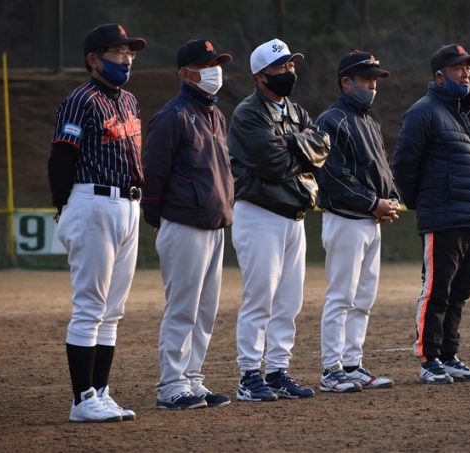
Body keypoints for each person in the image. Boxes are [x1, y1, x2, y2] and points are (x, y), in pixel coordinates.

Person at [47, 23, 146, 422]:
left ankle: (100, 392)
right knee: (90, 306)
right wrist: (63, 204)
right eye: (118, 52)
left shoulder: (130, 101)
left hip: (128, 204)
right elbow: (61, 157)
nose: (126, 59)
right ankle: (82, 399)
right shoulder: (80, 100)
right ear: (93, 59)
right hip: (93, 201)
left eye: (130, 53)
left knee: (113, 310)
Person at [227, 38, 331, 402]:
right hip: (260, 213)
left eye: (291, 65)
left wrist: (292, 143)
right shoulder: (248, 113)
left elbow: (324, 146)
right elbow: (271, 164)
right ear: (260, 76)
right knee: (260, 299)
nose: (289, 71)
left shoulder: (296, 110)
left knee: (289, 302)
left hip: (294, 215)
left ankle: (276, 371)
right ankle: (249, 376)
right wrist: (301, 145)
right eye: (280, 66)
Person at [140, 39, 234, 410]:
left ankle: (192, 379)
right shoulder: (172, 115)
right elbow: (153, 172)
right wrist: (157, 218)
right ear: (185, 73)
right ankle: (171, 386)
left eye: (216, 64)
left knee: (205, 311)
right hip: (182, 222)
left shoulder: (215, 114)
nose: (214, 71)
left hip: (213, 223)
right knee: (182, 308)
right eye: (206, 65)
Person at [391, 43, 470, 384]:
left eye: (469, 67)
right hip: (443, 216)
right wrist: (423, 204)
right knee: (436, 291)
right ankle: (429, 359)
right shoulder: (423, 111)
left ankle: (449, 356)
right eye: (459, 68)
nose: (466, 73)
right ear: (439, 76)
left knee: (459, 293)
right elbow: (403, 164)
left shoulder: (467, 113)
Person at [314, 51, 399, 393]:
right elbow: (332, 175)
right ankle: (331, 369)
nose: (372, 85)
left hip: (369, 221)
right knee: (342, 296)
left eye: (375, 79)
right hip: (346, 219)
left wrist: (390, 198)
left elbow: (383, 168)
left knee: (363, 298)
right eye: (366, 79)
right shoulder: (331, 120)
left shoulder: (370, 123)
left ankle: (352, 363)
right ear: (346, 83)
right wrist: (373, 202)